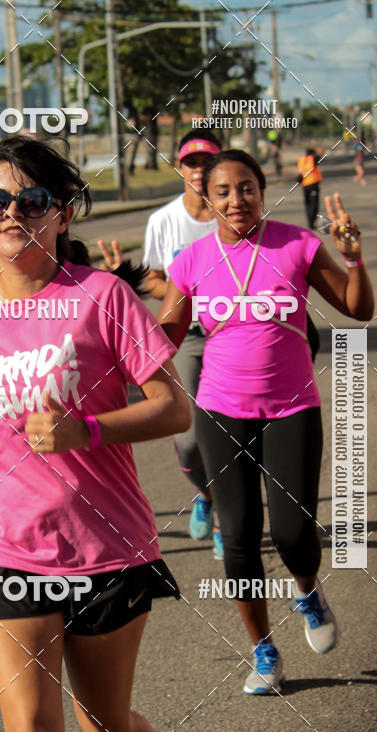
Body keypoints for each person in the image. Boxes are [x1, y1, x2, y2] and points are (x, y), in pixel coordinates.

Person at [0, 135, 192, 732]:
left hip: (106, 548)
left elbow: (173, 407)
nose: (11, 214)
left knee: (102, 730)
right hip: (4, 545)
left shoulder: (101, 297)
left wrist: (88, 429)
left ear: (62, 211)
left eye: (30, 201)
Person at [157, 149, 374, 695]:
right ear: (206, 199)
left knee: (294, 531)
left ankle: (308, 589)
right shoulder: (191, 261)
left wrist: (355, 259)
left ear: (262, 189)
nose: (237, 199)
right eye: (224, 190)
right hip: (219, 410)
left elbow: (358, 308)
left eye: (247, 187)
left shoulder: (298, 245)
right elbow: (165, 338)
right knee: (239, 537)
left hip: (291, 408)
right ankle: (264, 653)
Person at [142, 127, 224, 557]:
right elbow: (153, 278)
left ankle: (228, 519)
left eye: (206, 161)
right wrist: (184, 292)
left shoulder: (232, 213)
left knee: (232, 432)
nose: (198, 170)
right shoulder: (164, 221)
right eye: (191, 162)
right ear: (180, 167)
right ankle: (207, 495)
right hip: (189, 335)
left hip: (233, 334)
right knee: (189, 438)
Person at [297, 146, 323, 229]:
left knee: (308, 204)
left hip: (305, 185)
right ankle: (312, 222)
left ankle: (309, 222)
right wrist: (316, 149)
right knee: (314, 204)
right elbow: (321, 152)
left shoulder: (301, 160)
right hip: (313, 184)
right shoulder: (313, 158)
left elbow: (300, 171)